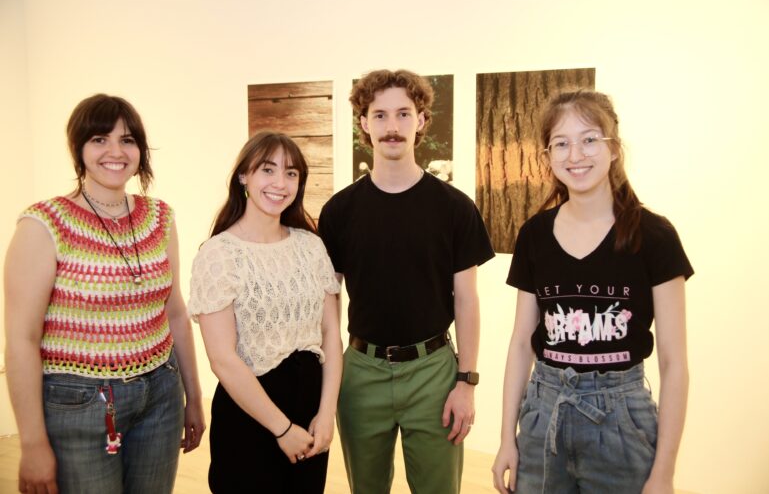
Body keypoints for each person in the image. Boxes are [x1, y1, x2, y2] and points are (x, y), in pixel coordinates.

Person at [491, 89, 693, 494]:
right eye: (560, 143)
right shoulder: (535, 235)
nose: (575, 155)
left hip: (622, 422)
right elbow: (520, 344)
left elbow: (674, 363)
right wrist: (505, 439)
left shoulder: (654, 236)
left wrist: (664, 473)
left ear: (614, 149)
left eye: (589, 139)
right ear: (547, 155)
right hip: (542, 414)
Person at [3, 94, 205, 494]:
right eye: (99, 139)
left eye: (127, 140)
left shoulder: (159, 217)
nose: (115, 151)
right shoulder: (44, 224)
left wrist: (195, 398)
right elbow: (21, 341)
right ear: (78, 148)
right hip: (79, 405)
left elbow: (175, 313)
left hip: (161, 393)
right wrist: (32, 443)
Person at [318, 69, 495, 494]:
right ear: (363, 123)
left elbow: (467, 301)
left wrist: (466, 383)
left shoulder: (454, 208)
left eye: (403, 114)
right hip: (361, 372)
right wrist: (329, 378)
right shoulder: (339, 212)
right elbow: (328, 303)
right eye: (379, 115)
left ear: (422, 120)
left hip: (433, 372)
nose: (392, 127)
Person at [187, 131, 341, 494]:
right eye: (267, 170)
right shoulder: (219, 253)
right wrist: (282, 429)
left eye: (291, 173)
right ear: (244, 176)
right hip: (251, 415)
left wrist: (327, 412)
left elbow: (331, 335)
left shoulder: (311, 245)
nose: (280, 183)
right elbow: (222, 358)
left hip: (310, 410)